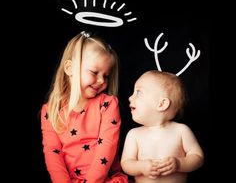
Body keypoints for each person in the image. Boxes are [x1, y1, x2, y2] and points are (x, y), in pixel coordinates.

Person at [41, 31, 128, 183]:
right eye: (94, 72)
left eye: (106, 76)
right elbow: (52, 153)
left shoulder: (107, 104)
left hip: (104, 179)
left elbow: (107, 147)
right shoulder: (50, 111)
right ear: (70, 69)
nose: (101, 81)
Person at [121, 70, 204, 183]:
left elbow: (198, 157)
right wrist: (141, 167)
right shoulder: (134, 134)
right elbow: (126, 163)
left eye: (138, 92)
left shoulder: (181, 131)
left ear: (161, 104)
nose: (130, 98)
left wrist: (179, 164)